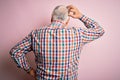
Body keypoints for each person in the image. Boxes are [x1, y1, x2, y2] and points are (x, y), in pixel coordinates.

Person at [9, 5, 105, 80]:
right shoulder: (77, 34)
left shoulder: (35, 34)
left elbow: (15, 52)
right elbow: (99, 30)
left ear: (51, 18)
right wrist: (80, 16)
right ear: (67, 21)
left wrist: (29, 71)